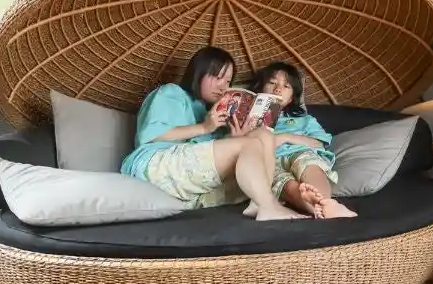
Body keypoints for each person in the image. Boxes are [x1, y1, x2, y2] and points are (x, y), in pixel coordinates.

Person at [121, 46, 305, 220]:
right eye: (218, 77)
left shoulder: (211, 111)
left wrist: (234, 138)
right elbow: (152, 134)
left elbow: (207, 155)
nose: (223, 87)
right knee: (250, 144)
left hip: (190, 185)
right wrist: (205, 127)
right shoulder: (172, 92)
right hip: (154, 167)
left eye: (228, 81)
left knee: (264, 136)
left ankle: (258, 203)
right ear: (199, 73)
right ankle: (269, 206)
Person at [250, 62, 356, 219]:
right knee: (285, 185)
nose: (277, 89)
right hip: (270, 161)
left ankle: (326, 203)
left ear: (292, 97)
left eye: (286, 86)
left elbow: (319, 143)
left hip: (299, 152)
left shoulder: (304, 119)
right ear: (260, 89)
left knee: (309, 164)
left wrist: (286, 137)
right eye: (272, 83)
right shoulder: (250, 119)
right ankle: (318, 207)